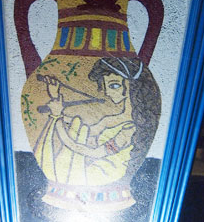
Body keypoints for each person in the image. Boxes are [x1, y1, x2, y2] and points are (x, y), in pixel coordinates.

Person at [33, 57, 161, 189]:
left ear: (131, 87)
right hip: (94, 170)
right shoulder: (111, 119)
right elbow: (81, 129)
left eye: (114, 86)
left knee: (64, 167)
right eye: (106, 86)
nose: (107, 92)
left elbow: (92, 152)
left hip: (104, 175)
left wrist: (57, 117)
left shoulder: (130, 128)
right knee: (76, 124)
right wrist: (55, 97)